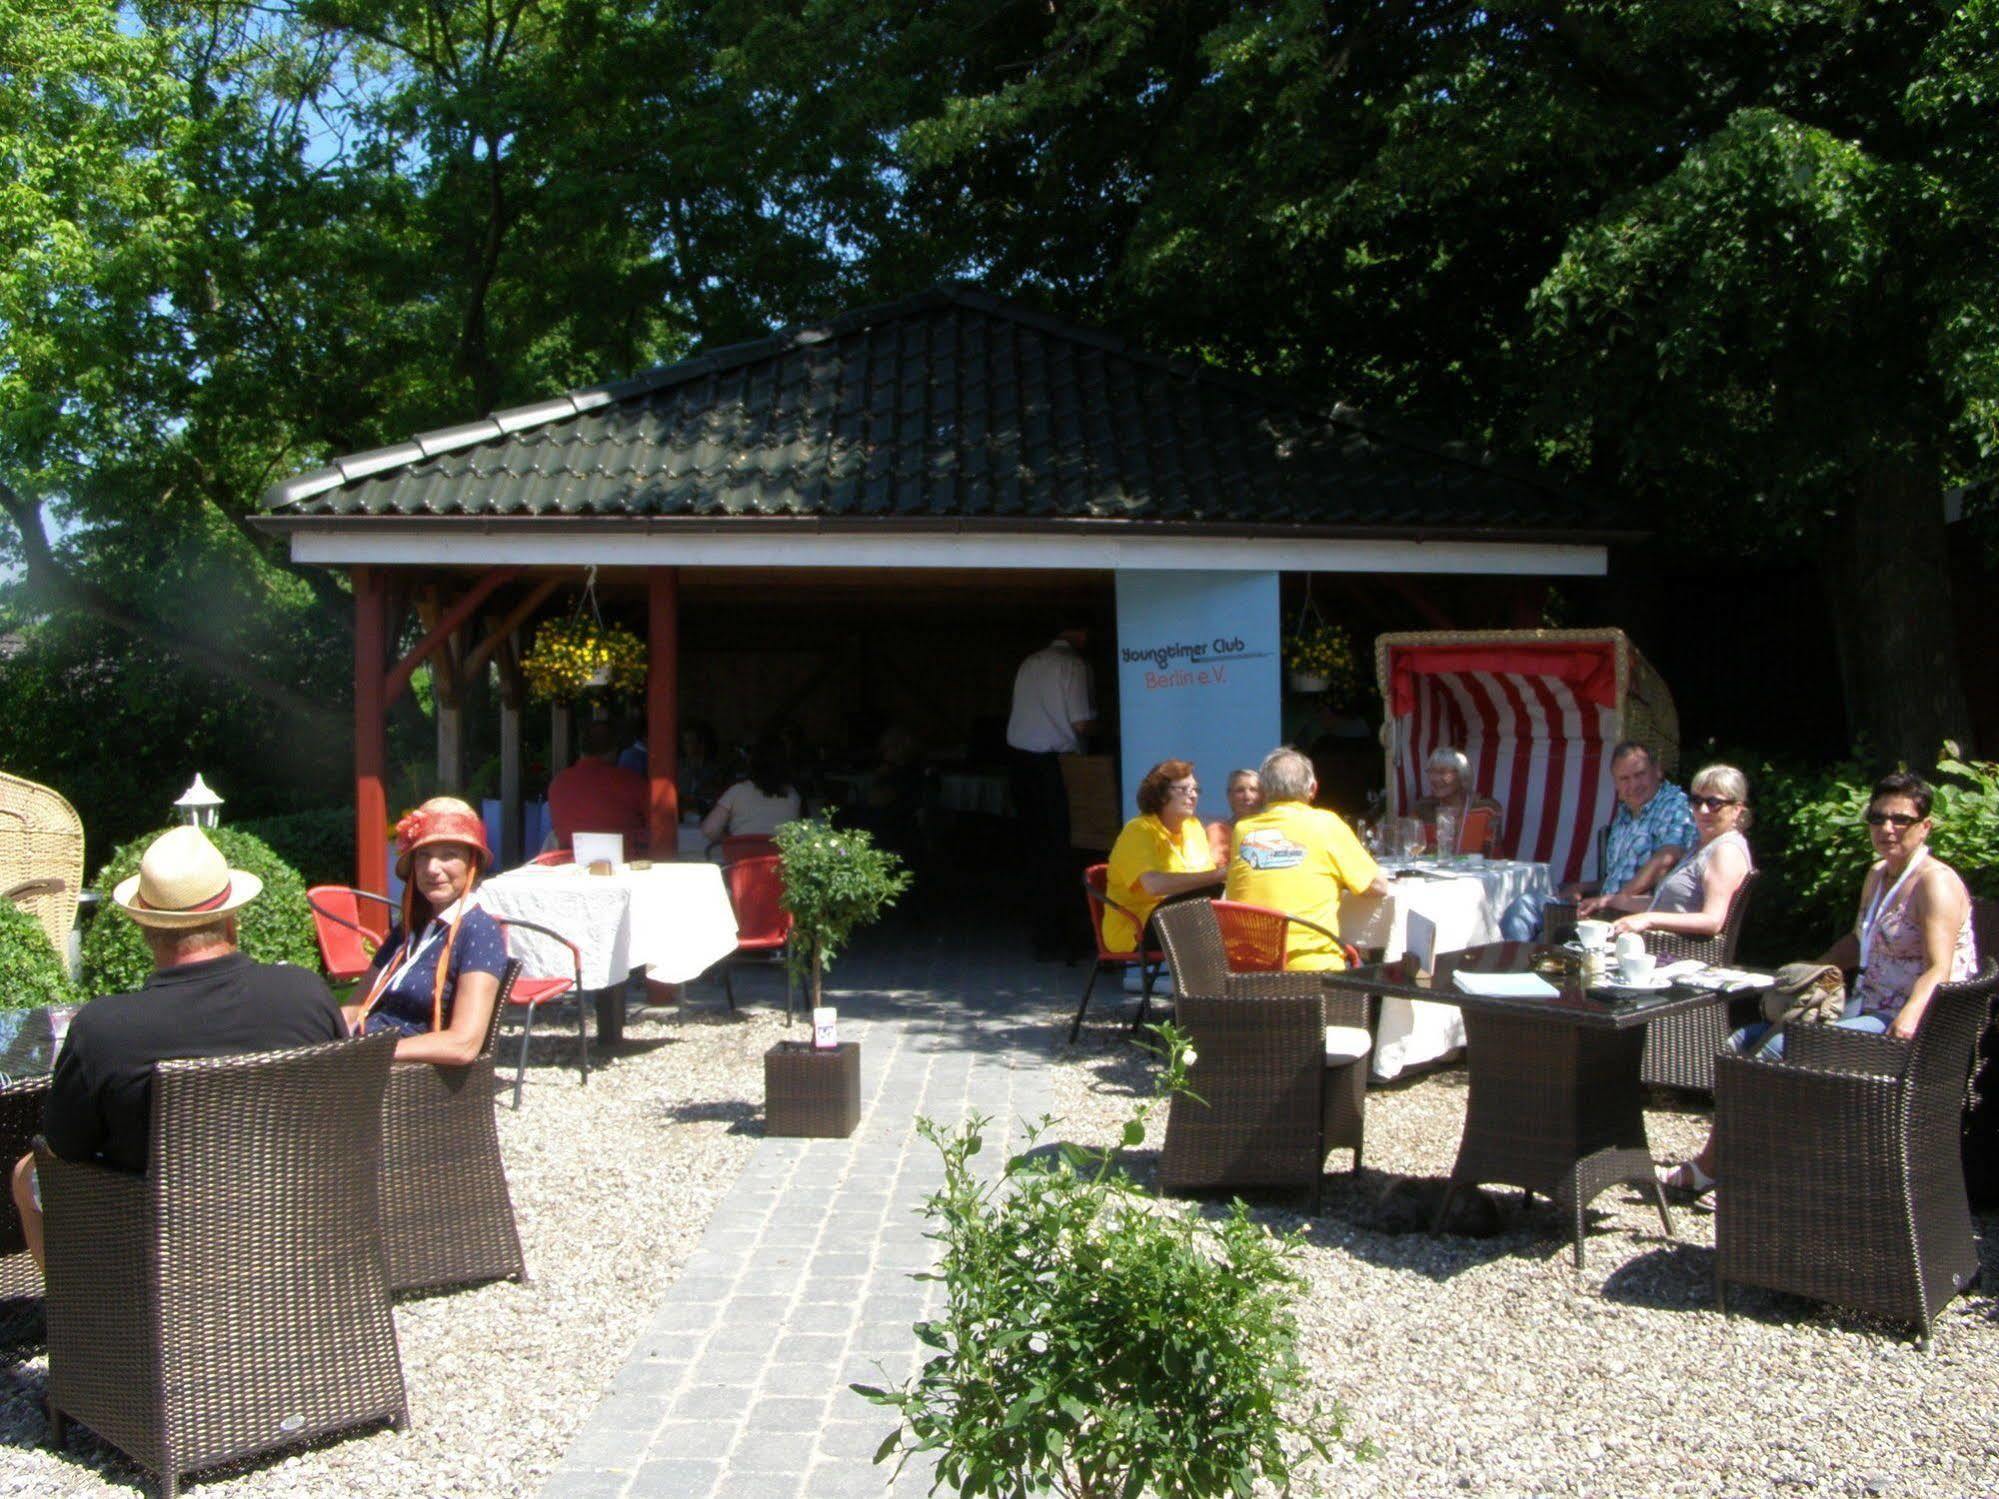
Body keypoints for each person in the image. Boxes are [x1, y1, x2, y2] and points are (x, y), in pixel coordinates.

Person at [10, 825, 347, 1267]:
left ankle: (83, 1321)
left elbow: (65, 1148)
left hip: (165, 1267)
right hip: (298, 1246)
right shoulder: (307, 994)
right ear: (233, 917)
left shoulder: (105, 1030)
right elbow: (345, 1107)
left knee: (26, 1174)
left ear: (145, 927)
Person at [1657, 771, 1978, 1195]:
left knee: (1773, 1050)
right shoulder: (1879, 875)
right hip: (1865, 1008)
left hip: (1909, 1028)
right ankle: (1726, 1166)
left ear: (1925, 826)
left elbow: (1940, 969)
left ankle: (1749, 1174)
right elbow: (1859, 941)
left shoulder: (1934, 882)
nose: (1886, 828)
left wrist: (1908, 1018)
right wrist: (1813, 971)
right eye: (1878, 817)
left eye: (1901, 820)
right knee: (1740, 1044)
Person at [351, 796, 510, 1066]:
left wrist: (369, 1052)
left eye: (449, 855)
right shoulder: (411, 928)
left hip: (399, 1071)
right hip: (362, 1054)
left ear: (472, 863)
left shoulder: (479, 933)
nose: (432, 869)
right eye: (423, 856)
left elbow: (464, 1043)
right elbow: (357, 1004)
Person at [1498, 739, 1697, 939]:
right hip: (1607, 907)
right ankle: (1521, 965)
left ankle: (1522, 964)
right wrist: (1584, 888)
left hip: (1637, 915)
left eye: (1640, 775)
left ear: (1658, 771)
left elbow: (1668, 857)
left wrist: (1613, 899)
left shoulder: (1673, 804)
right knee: (1523, 910)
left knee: (1537, 925)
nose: (1633, 784)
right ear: (1616, 784)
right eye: (1625, 779)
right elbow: (1616, 877)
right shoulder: (1625, 813)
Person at [1224, 746, 1389, 971]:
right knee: (1370, 966)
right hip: (1313, 971)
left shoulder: (1243, 830)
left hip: (1252, 972)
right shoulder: (1326, 824)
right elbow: (1377, 886)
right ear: (1313, 788)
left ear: (1263, 791)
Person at [1006, 620, 1095, 959]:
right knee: (1064, 851)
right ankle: (1065, 937)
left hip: (1021, 762)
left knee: (1036, 850)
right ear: (1082, 633)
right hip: (1057, 766)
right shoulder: (1073, 665)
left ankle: (1042, 934)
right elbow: (1081, 722)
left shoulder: (1030, 662)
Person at [1604, 763, 1755, 940]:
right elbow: (1670, 904)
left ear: (1736, 809)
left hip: (1682, 956)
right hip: (1659, 945)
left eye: (1714, 803)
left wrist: (1648, 919)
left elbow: (1713, 921)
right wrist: (1611, 901)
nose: (1703, 810)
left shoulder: (1725, 851)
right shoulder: (1701, 846)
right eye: (1697, 801)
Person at [1103, 760, 1225, 954]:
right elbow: (1154, 886)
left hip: (1183, 916)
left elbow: (1206, 882)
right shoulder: (1139, 830)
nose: (1193, 795)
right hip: (1137, 928)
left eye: (1196, 789)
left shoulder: (1193, 827)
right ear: (1160, 794)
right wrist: (1218, 876)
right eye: (1184, 789)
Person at [549, 718, 650, 856]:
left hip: (572, 866)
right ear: (615, 748)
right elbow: (659, 823)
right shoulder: (632, 781)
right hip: (624, 866)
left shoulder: (558, 783)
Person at [701, 741, 802, 843]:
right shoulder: (793, 795)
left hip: (742, 856)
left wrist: (728, 840)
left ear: (751, 762)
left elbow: (710, 830)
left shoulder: (737, 791)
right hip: (778, 858)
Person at [1408, 747, 1504, 854]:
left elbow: (1492, 856)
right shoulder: (1423, 808)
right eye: (1431, 772)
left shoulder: (1487, 808)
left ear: (1462, 775)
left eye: (1443, 772)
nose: (1434, 779)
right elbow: (1411, 849)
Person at [1206, 767, 1261, 868]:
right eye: (1240, 790)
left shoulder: (1272, 830)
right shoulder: (1217, 831)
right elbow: (1217, 868)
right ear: (1229, 795)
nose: (1247, 797)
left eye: (1253, 790)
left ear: (1263, 796)